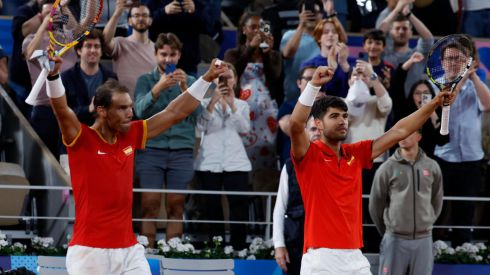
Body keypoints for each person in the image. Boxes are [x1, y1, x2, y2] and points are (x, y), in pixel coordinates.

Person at [45, 53, 226, 274]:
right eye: (122, 108)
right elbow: (61, 110)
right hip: (88, 252)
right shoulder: (81, 139)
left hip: (129, 250)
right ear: (102, 111)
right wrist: (53, 77)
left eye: (130, 106)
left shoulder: (130, 133)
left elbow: (175, 112)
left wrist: (206, 79)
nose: (130, 113)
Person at [288, 65, 456, 274]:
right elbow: (295, 124)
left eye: (345, 116)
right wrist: (313, 85)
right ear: (318, 124)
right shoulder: (308, 154)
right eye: (334, 116)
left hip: (355, 257)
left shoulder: (355, 154)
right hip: (321, 257)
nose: (342, 121)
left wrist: (434, 103)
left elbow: (399, 131)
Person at [134, 32, 199, 246]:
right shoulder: (145, 80)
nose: (168, 59)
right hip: (151, 149)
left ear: (179, 55)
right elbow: (139, 111)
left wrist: (184, 89)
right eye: (163, 54)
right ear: (155, 55)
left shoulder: (190, 81)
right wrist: (158, 87)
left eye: (172, 54)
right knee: (149, 205)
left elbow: (197, 116)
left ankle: (175, 251)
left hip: (181, 150)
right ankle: (147, 252)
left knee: (176, 205)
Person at [433, 41, 490, 246]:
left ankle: (462, 251)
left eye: (460, 59)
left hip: (471, 159)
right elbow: (446, 103)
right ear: (442, 62)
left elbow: (488, 105)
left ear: (468, 61)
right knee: (437, 209)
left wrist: (472, 76)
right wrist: (463, 78)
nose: (455, 63)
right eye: (450, 58)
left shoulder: (475, 83)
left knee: (465, 211)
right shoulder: (436, 83)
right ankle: (435, 251)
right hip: (443, 157)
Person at [369, 129, 443, 275]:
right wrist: (389, 231)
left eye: (408, 132)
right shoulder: (386, 168)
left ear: (419, 136)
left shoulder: (432, 166)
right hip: (395, 239)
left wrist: (426, 223)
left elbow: (437, 200)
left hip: (424, 239)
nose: (403, 136)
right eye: (401, 132)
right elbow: (375, 205)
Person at [194, 63, 251, 250]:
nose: (226, 81)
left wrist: (232, 104)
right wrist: (212, 102)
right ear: (215, 81)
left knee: (238, 207)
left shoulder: (242, 105)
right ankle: (215, 247)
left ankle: (239, 248)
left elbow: (245, 130)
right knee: (211, 207)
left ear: (235, 80)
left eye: (229, 77)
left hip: (237, 163)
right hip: (209, 162)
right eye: (222, 78)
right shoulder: (203, 103)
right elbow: (199, 129)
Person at [22, 1, 77, 158]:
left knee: (67, 157)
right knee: (44, 157)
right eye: (47, 14)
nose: (52, 17)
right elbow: (29, 53)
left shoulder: (67, 39)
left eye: (54, 14)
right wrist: (46, 21)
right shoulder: (31, 39)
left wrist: (64, 6)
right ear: (41, 17)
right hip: (43, 108)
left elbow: (78, 30)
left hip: (68, 107)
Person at [273, 116, 321, 275]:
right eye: (313, 129)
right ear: (305, 132)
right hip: (295, 241)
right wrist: (279, 245)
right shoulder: (290, 166)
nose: (317, 133)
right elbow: (280, 207)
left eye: (321, 130)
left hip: (325, 244)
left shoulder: (340, 164)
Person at [377, 0, 434, 98]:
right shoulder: (383, 53)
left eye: (405, 28)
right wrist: (397, 9)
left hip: (412, 105)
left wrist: (409, 15)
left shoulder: (417, 55)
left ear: (411, 32)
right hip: (388, 104)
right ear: (390, 32)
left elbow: (428, 39)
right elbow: (378, 34)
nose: (401, 31)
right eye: (397, 28)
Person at [62, 29, 117, 126]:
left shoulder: (111, 78)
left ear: (101, 51)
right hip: (75, 134)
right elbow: (62, 113)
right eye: (88, 46)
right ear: (79, 50)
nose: (93, 50)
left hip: (103, 134)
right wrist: (89, 108)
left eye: (97, 46)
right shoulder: (66, 77)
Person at [103, 1, 156, 98]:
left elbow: (169, 73)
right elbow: (105, 41)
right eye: (136, 15)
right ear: (129, 21)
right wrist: (117, 13)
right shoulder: (120, 43)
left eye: (144, 15)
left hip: (151, 105)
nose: (140, 18)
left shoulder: (158, 48)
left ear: (150, 20)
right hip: (124, 105)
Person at [145, 0, 208, 76]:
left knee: (189, 87)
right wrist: (164, 11)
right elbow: (146, 24)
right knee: (167, 84)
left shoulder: (196, 2)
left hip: (188, 62)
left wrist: (195, 11)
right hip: (165, 60)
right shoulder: (154, 2)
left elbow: (208, 28)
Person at [279, 0, 323, 101]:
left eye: (315, 12)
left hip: (319, 98)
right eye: (307, 11)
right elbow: (287, 54)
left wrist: (331, 12)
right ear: (300, 15)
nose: (311, 15)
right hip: (293, 99)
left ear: (321, 15)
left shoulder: (326, 38)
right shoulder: (289, 35)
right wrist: (301, 25)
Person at [277, 66, 317, 167]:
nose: (313, 83)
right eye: (309, 79)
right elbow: (290, 128)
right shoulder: (288, 106)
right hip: (294, 165)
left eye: (316, 79)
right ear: (299, 82)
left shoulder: (327, 106)